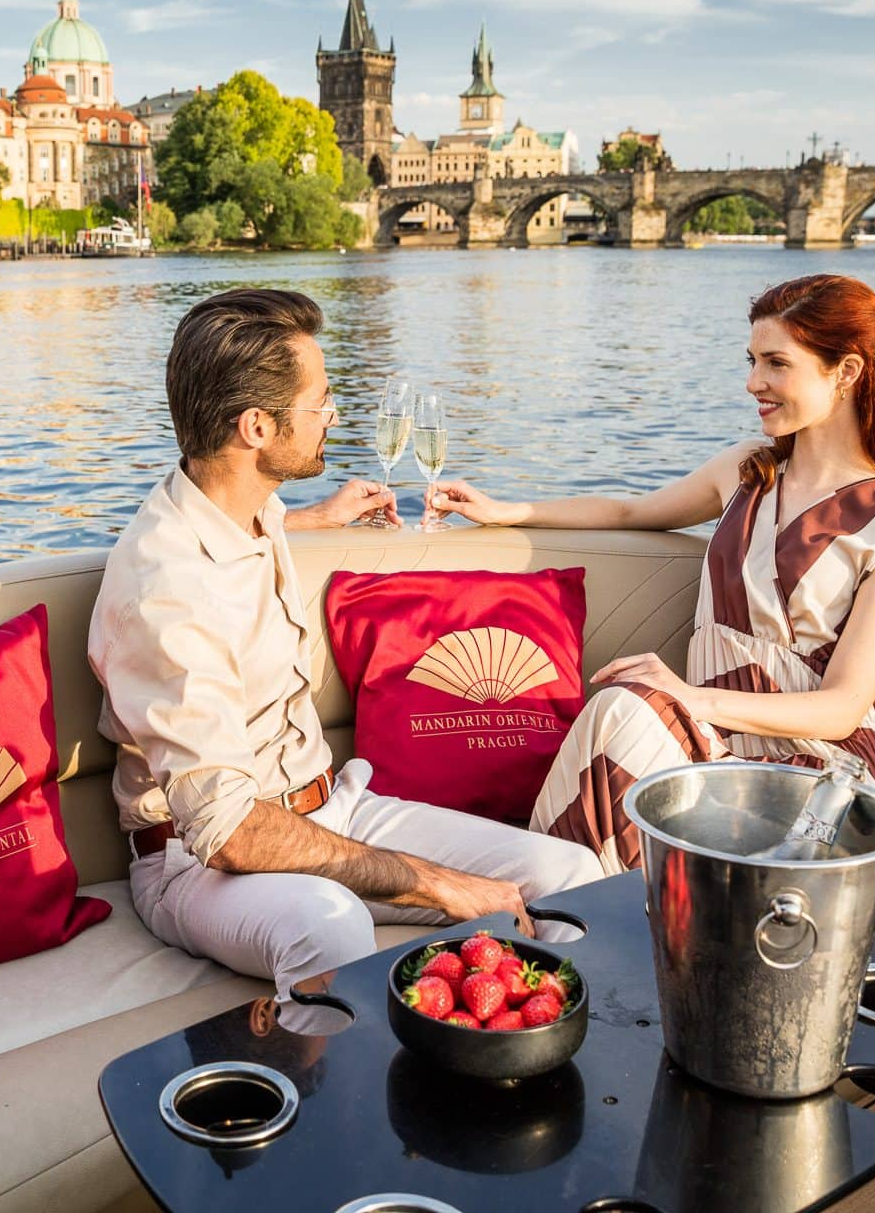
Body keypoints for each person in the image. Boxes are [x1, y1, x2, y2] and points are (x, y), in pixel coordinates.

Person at [89, 289, 601, 997]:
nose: (334, 417)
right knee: (328, 925)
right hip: (201, 867)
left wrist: (317, 518)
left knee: (571, 878)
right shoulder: (165, 592)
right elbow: (231, 833)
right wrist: (433, 883)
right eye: (320, 404)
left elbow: (243, 538)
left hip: (333, 806)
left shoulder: (237, 503)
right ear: (257, 427)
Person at [428, 273, 875, 936]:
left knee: (631, 705)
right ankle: (569, 942)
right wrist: (503, 512)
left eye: (776, 363)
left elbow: (844, 704)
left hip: (824, 772)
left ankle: (561, 944)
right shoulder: (749, 470)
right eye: (751, 361)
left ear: (846, 372)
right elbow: (629, 509)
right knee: (622, 708)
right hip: (717, 749)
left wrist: (691, 698)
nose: (754, 382)